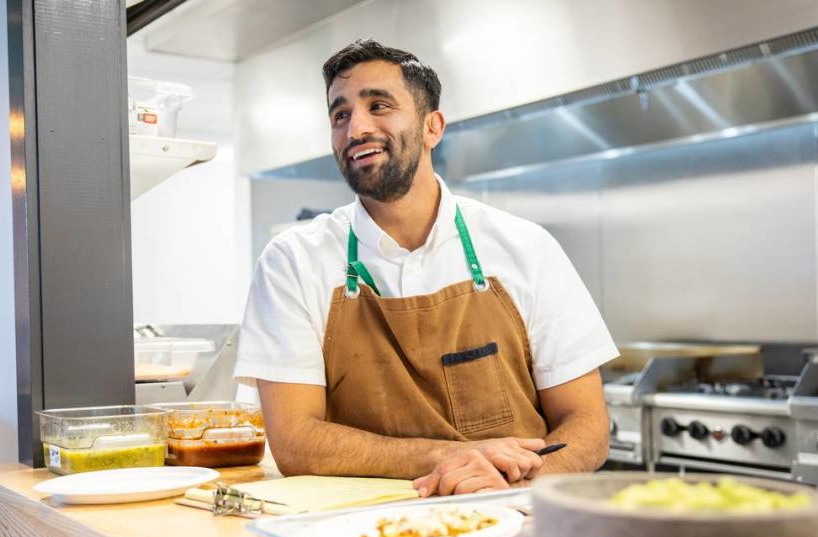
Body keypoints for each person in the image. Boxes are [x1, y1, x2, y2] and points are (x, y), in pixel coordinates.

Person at [236, 39, 618, 496]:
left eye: (379, 106)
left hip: (514, 517)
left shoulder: (526, 248)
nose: (356, 127)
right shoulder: (293, 261)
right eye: (340, 115)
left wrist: (511, 486)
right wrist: (449, 458)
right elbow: (296, 443)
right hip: (359, 531)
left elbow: (588, 425)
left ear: (432, 127)